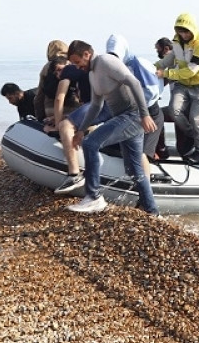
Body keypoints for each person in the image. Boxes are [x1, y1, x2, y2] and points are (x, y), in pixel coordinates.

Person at [66, 40, 159, 215]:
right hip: (123, 117)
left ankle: (93, 197)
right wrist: (81, 130)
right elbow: (95, 105)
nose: (77, 67)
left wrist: (144, 114)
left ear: (87, 54)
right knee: (134, 169)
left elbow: (134, 83)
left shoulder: (106, 61)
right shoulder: (93, 73)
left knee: (91, 144)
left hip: (133, 115)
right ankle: (152, 212)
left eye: (77, 62)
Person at [154, 13, 199, 163]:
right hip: (183, 84)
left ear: (192, 29)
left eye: (186, 31)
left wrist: (166, 73)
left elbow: (191, 70)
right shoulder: (176, 41)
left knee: (195, 118)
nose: (184, 34)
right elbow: (169, 59)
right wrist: (154, 67)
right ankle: (192, 134)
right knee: (174, 111)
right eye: (180, 31)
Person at [52, 55, 111, 194]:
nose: (58, 74)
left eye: (58, 70)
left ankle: (74, 174)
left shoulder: (68, 71)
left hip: (101, 105)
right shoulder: (89, 69)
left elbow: (59, 98)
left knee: (65, 126)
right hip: (111, 102)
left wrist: (57, 123)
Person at [106, 34, 165, 171]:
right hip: (129, 114)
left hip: (150, 114)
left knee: (142, 154)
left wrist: (136, 108)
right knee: (111, 146)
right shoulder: (114, 67)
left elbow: (151, 92)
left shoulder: (137, 64)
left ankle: (146, 185)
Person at [34, 40, 79, 121]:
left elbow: (39, 97)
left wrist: (40, 118)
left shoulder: (47, 67)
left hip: (51, 110)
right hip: (73, 109)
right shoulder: (72, 63)